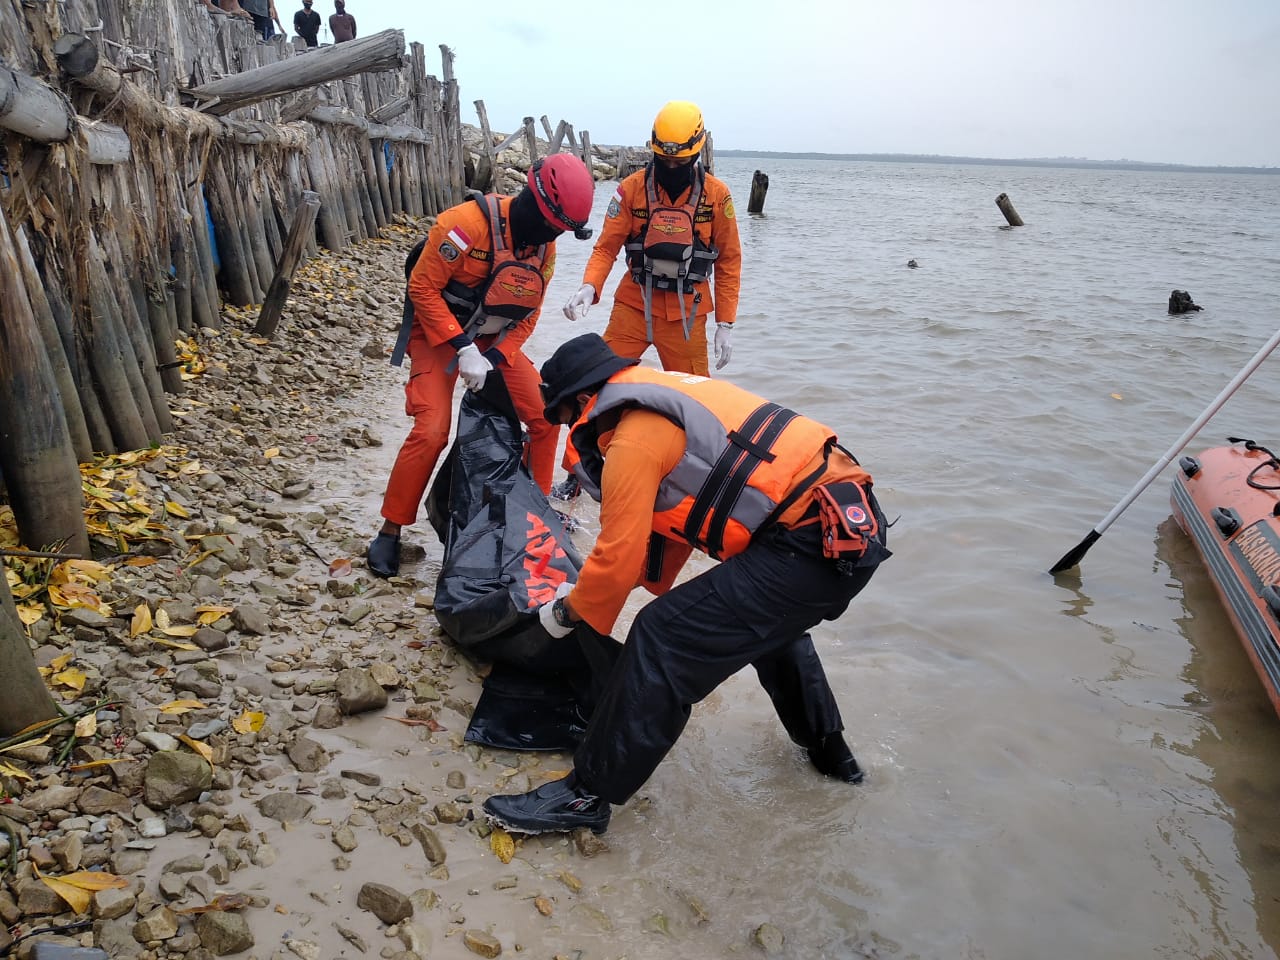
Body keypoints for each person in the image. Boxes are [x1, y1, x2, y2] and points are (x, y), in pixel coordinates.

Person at [483, 334, 890, 835]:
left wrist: (566, 614)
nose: (570, 429)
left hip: (813, 543)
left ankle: (586, 797)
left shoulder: (632, 435)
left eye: (564, 417)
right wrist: (613, 590)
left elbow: (618, 552)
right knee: (768, 627)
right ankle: (833, 759)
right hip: (852, 524)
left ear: (580, 401)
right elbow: (653, 540)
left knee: (662, 636)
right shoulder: (663, 397)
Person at [365, 155, 596, 579]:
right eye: (551, 225)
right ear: (533, 200)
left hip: (493, 344)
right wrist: (460, 346)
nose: (552, 236)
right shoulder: (464, 225)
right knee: (432, 429)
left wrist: (489, 357)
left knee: (546, 420)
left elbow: (528, 315)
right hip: (438, 337)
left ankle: (535, 524)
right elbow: (422, 287)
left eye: (560, 230)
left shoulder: (546, 250)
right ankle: (390, 529)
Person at [562, 101, 742, 378]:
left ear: (696, 153)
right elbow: (606, 248)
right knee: (599, 382)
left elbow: (729, 260)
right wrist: (590, 285)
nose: (671, 167)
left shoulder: (717, 196)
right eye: (664, 160)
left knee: (693, 396)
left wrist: (725, 323)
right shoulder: (631, 189)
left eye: (680, 162)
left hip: (686, 315)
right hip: (633, 305)